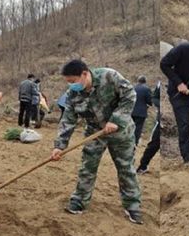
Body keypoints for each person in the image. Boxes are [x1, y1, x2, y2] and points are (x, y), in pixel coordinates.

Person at [50, 59, 142, 224]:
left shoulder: (109, 76)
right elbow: (68, 120)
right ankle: (79, 200)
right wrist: (59, 146)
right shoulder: (73, 94)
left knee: (125, 168)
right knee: (88, 166)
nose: (71, 85)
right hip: (94, 132)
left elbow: (130, 95)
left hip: (121, 132)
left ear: (84, 74)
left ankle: (132, 206)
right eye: (68, 82)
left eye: (73, 81)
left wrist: (116, 119)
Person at [137, 82, 160, 174]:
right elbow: (154, 98)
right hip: (158, 120)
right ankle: (143, 166)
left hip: (139, 113)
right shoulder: (158, 84)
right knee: (153, 144)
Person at [131, 75, 153, 145]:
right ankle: (135, 142)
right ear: (145, 81)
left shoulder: (133, 87)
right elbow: (149, 100)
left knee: (130, 127)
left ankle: (128, 141)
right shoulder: (146, 89)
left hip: (131, 110)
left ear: (138, 80)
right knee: (138, 128)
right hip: (141, 112)